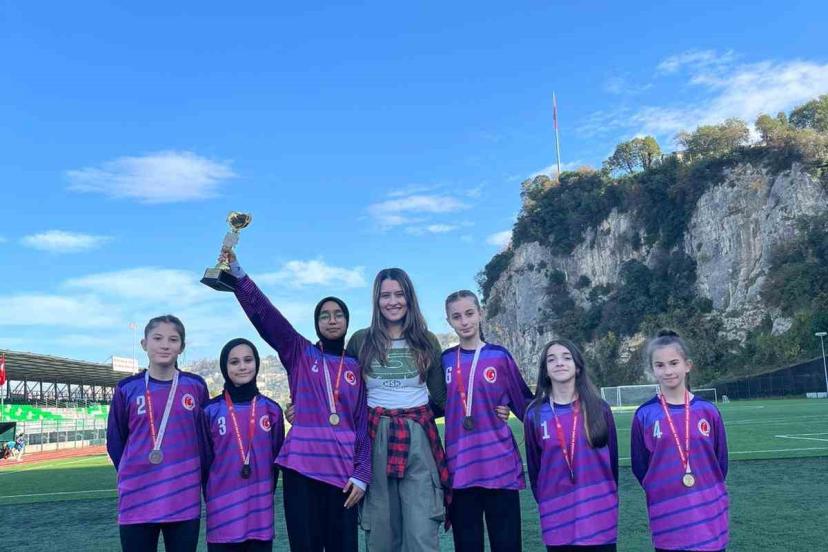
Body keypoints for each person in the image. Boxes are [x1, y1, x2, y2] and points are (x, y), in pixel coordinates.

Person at [227, 252, 370, 552]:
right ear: (316, 323)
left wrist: (362, 474)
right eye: (324, 315)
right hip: (301, 470)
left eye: (338, 314)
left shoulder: (357, 367)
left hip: (343, 475)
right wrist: (239, 276)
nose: (332, 320)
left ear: (347, 321)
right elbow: (268, 319)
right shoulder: (300, 353)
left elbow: (362, 426)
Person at [345, 268, 448, 552]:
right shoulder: (361, 341)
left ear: (409, 298)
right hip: (374, 435)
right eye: (385, 295)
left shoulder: (427, 340)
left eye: (399, 294)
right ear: (376, 301)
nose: (393, 302)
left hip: (418, 437)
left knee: (422, 531)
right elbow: (343, 391)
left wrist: (494, 405)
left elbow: (442, 398)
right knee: (381, 533)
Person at [106, 315, 210, 552]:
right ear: (144, 344)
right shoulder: (126, 388)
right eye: (157, 338)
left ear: (181, 347)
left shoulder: (195, 386)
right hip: (137, 498)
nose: (165, 345)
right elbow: (115, 441)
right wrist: (133, 473)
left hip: (183, 496)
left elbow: (205, 440)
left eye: (173, 339)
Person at [442, 289, 533, 552]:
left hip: (499, 466)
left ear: (480, 314)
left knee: (507, 545)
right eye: (457, 316)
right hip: (460, 468)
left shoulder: (499, 356)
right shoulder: (445, 360)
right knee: (467, 546)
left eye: (469, 313)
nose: (464, 321)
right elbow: (435, 403)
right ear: (449, 321)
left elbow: (524, 402)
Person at [631, 330, 729, 552]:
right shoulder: (645, 414)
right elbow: (640, 467)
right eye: (660, 365)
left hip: (708, 511)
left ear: (687, 365)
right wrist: (661, 489)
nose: (668, 371)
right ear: (653, 370)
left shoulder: (708, 411)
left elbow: (720, 463)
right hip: (668, 514)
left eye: (674, 363)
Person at [524, 339, 619, 551]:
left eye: (566, 358)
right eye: (551, 359)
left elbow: (612, 466)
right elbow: (535, 469)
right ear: (545, 370)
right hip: (557, 516)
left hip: (599, 514)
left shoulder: (600, 409)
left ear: (577, 367)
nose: (559, 363)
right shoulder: (535, 414)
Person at [199, 338, 285, 551]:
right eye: (234, 362)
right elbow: (204, 463)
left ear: (257, 363)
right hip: (222, 514)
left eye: (248, 360)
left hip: (260, 514)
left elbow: (275, 462)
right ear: (224, 367)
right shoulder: (209, 411)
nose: (242, 366)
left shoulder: (272, 410)